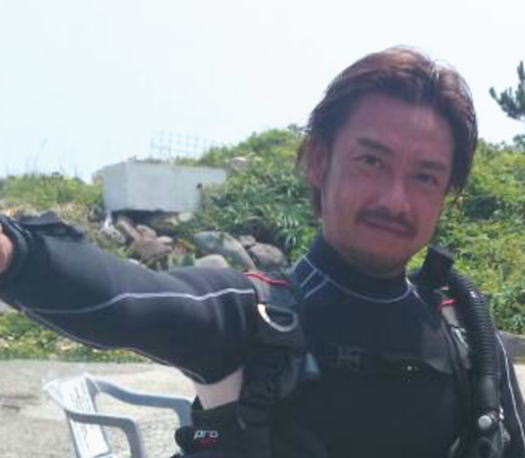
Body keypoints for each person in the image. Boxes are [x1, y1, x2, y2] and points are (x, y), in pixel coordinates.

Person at [0, 46, 524, 458]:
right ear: (318, 160)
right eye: (372, 162)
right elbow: (123, 298)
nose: (395, 199)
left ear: (447, 193)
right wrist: (15, 253)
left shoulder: (469, 339)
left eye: (425, 176)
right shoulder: (250, 320)